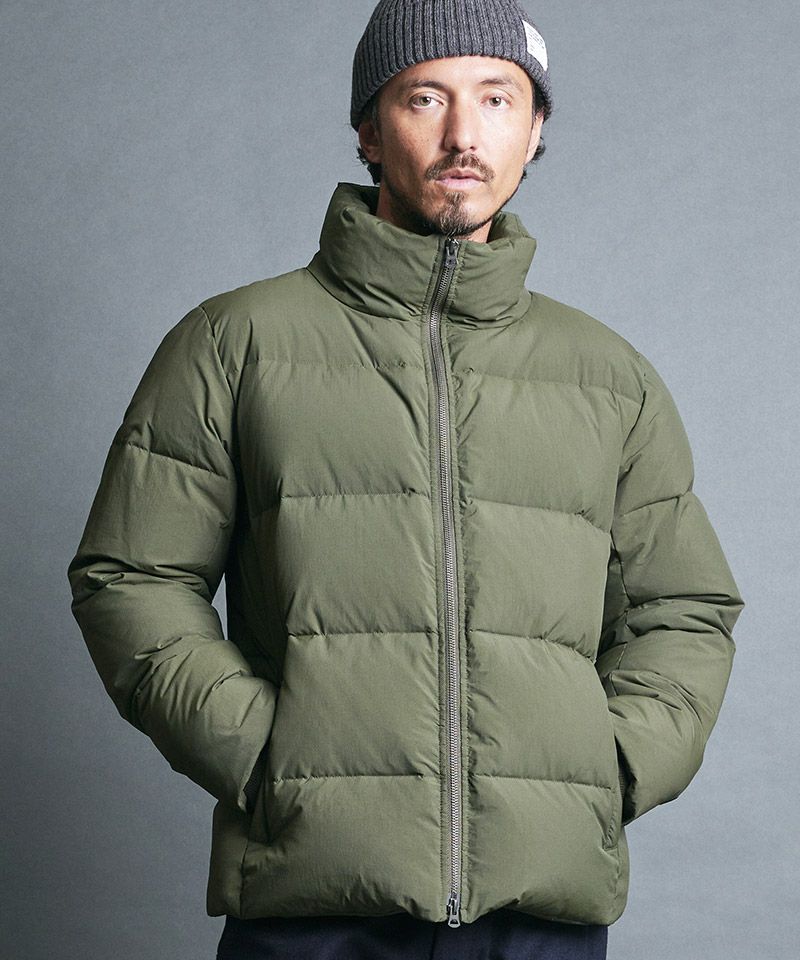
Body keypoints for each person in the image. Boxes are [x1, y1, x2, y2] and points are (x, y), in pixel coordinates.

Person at [66, 1, 745, 958]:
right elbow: (131, 578)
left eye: (497, 99)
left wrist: (609, 770)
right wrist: (267, 758)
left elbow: (685, 611)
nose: (465, 134)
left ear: (535, 131)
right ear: (369, 131)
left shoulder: (610, 377)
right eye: (425, 97)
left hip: (538, 919)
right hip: (312, 908)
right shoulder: (234, 344)